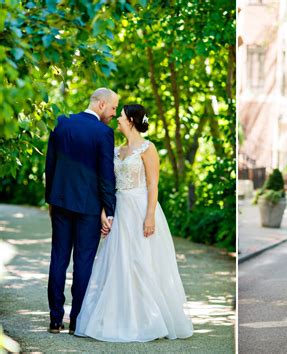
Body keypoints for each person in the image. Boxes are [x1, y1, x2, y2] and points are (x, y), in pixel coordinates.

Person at [75, 104, 193, 342]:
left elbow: (152, 184)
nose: (117, 118)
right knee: (118, 263)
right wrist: (103, 213)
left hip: (140, 209)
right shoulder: (117, 150)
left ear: (130, 120)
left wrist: (150, 215)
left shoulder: (148, 149)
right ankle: (119, 317)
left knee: (142, 262)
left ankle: (149, 319)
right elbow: (107, 185)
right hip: (119, 210)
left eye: (120, 115)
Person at [45, 88, 119, 334]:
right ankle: (77, 320)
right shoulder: (103, 133)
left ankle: (55, 319)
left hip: (61, 202)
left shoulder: (62, 124)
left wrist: (50, 200)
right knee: (83, 262)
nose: (113, 113)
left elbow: (50, 164)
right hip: (88, 207)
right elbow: (106, 175)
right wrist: (109, 210)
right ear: (100, 105)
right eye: (112, 108)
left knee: (58, 258)